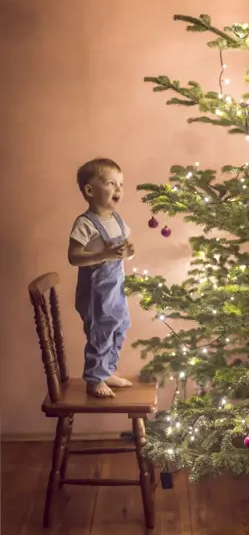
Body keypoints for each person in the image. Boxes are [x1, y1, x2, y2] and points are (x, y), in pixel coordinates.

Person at [68, 158, 135, 398]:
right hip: (96, 291)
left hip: (116, 287)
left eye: (121, 184)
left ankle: (106, 370)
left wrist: (127, 251)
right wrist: (104, 254)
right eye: (111, 183)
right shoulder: (86, 223)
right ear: (89, 190)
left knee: (121, 327)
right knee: (101, 331)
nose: (119, 189)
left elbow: (122, 249)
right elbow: (74, 257)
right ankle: (94, 378)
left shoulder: (117, 219)